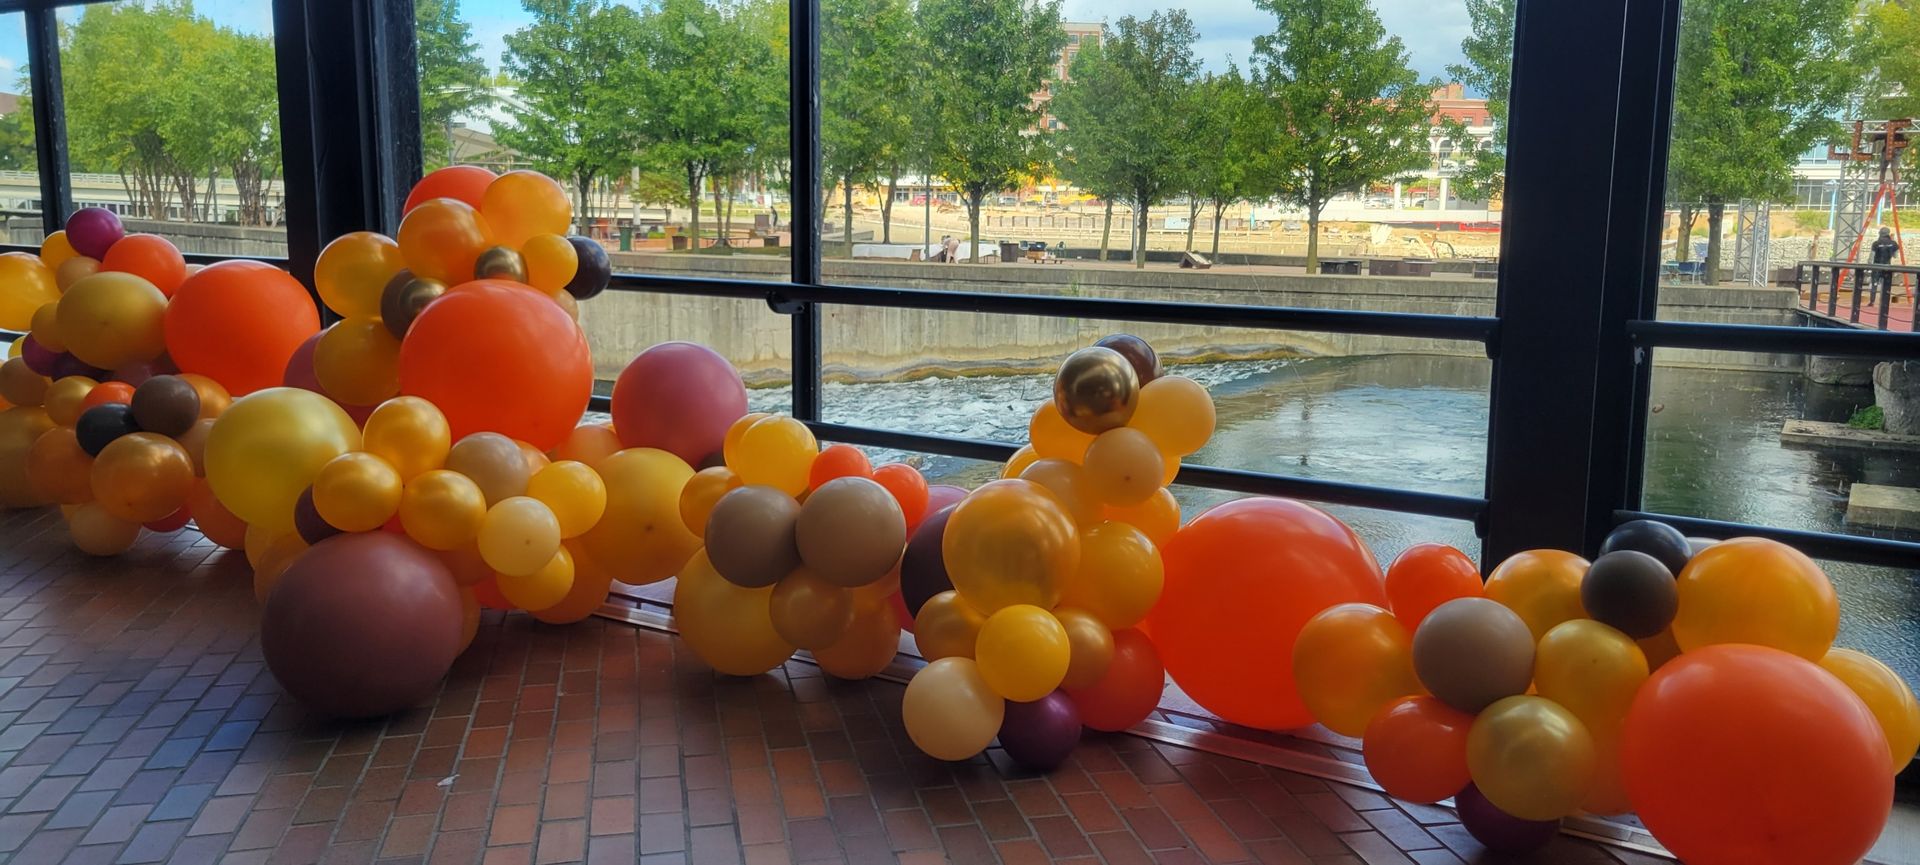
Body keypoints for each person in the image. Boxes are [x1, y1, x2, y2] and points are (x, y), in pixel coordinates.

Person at [1870, 227, 1902, 302]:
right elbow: (1895, 256)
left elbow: (1871, 256)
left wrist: (1869, 266)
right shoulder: (1893, 243)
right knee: (1886, 285)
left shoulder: (1876, 243)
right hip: (1887, 266)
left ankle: (1872, 301)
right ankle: (1884, 301)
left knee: (1874, 284)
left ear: (1880, 233)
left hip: (1876, 266)